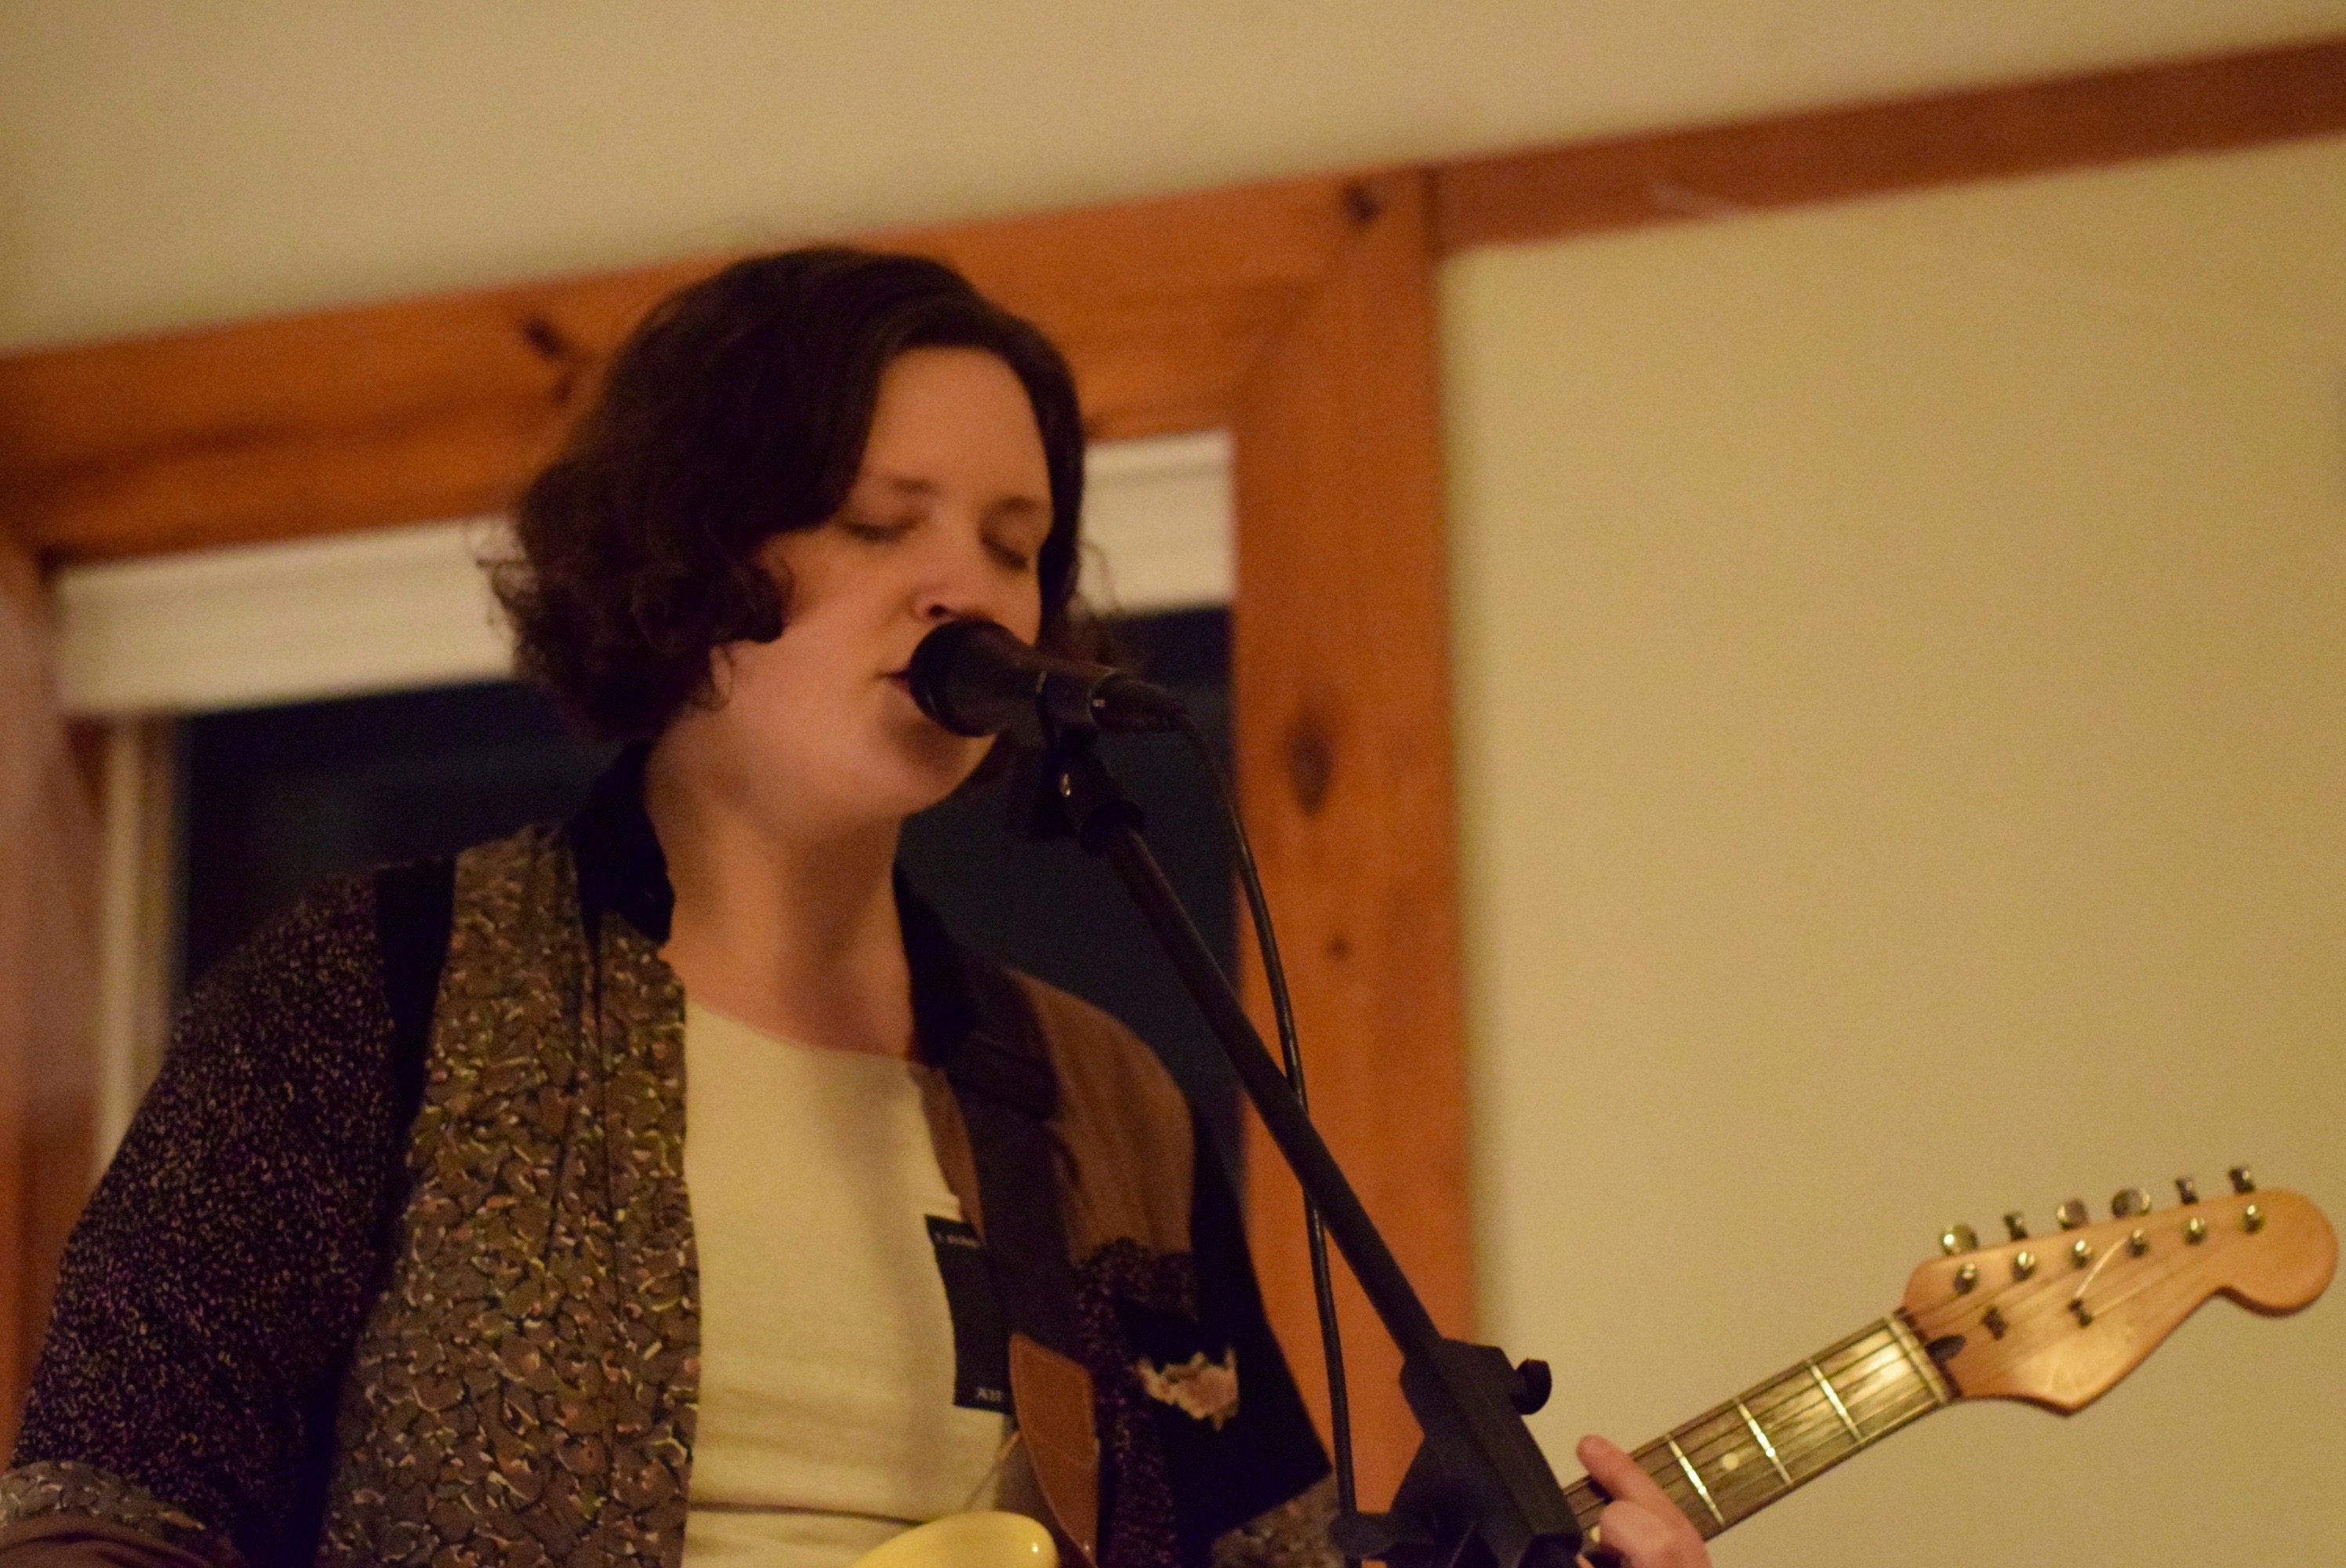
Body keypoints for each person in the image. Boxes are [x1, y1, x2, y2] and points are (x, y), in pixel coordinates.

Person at [0, 249, 1709, 1568]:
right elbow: (102, 1505)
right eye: (881, 521)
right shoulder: (381, 986)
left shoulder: (1101, 1098)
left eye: (1016, 542)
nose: (967, 586)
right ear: (691, 555)